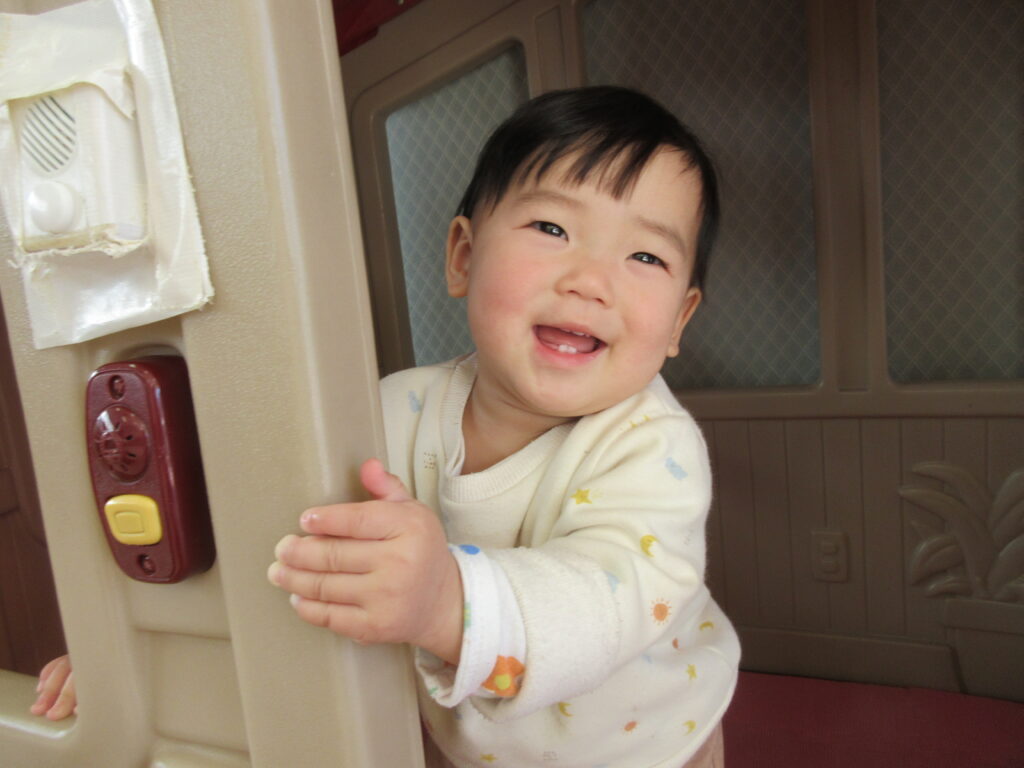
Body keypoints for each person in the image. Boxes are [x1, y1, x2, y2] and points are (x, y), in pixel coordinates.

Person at [36, 86, 740, 768]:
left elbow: (605, 602)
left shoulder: (653, 450)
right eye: (552, 229)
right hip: (458, 738)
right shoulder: (387, 412)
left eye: (646, 257)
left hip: (643, 747)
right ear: (464, 256)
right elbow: (281, 549)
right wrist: (142, 657)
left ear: (679, 319)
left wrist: (444, 600)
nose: (591, 281)